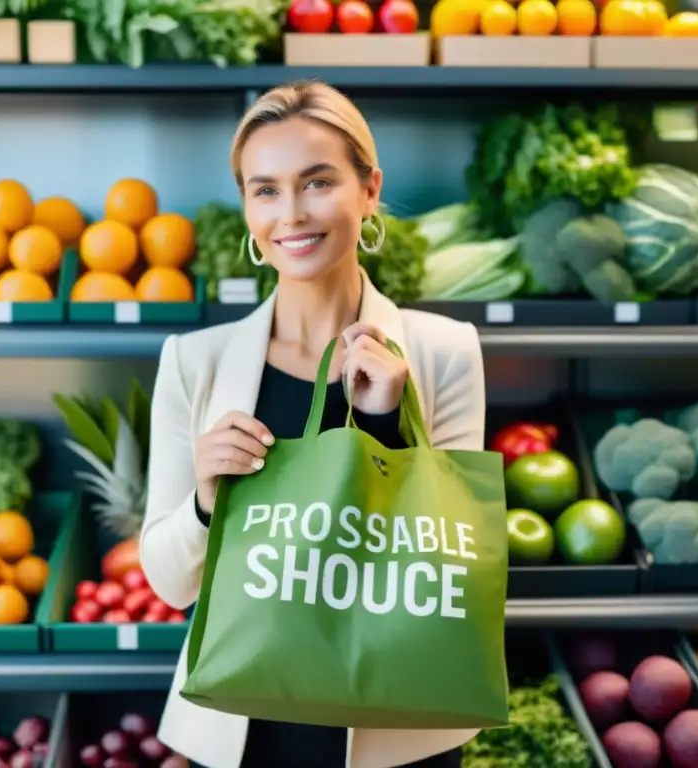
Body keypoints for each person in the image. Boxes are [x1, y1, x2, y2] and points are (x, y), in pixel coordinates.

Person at [140, 80, 487, 768]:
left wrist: (390, 427)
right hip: (248, 728)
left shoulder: (442, 353)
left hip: (396, 727)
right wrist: (207, 503)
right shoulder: (195, 362)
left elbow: (456, 571)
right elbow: (168, 581)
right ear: (246, 208)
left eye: (318, 182)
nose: (291, 214)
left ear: (369, 190)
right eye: (264, 190)